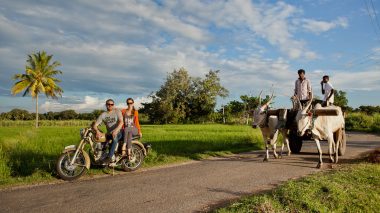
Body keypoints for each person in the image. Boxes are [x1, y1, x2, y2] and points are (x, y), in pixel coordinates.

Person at [92, 99, 123, 164]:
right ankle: (100, 157)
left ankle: (109, 157)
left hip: (118, 132)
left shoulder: (117, 111)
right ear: (106, 105)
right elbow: (95, 125)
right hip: (109, 133)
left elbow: (121, 122)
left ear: (113, 105)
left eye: (112, 104)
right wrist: (97, 131)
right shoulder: (103, 114)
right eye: (108, 104)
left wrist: (116, 130)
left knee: (114, 138)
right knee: (101, 142)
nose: (110, 105)